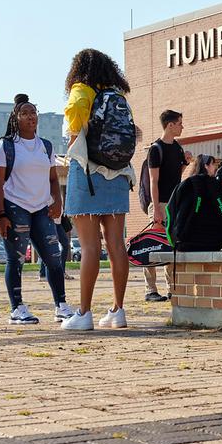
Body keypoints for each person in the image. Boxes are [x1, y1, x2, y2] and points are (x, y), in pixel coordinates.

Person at [61, 48, 136, 331]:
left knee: (89, 247)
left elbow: (74, 127)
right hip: (118, 174)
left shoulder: (82, 90)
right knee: (116, 245)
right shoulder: (116, 95)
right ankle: (118, 310)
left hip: (88, 173)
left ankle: (84, 313)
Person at [0, 94, 76, 325]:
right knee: (16, 259)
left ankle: (61, 305)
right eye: (25, 113)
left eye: (33, 112)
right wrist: (0, 214)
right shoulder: (4, 146)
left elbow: (52, 179)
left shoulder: (45, 146)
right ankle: (17, 308)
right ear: (15, 118)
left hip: (41, 208)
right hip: (15, 207)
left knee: (54, 258)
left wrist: (57, 201)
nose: (31, 116)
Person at [145, 109, 189, 302]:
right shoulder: (156, 149)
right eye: (179, 123)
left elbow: (176, 175)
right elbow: (153, 181)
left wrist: (185, 163)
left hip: (174, 204)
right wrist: (156, 209)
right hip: (160, 203)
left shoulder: (177, 148)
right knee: (154, 246)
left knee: (172, 246)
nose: (182, 126)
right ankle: (151, 290)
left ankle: (172, 288)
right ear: (170, 125)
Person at [166, 154, 222, 251]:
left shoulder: (187, 184)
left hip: (186, 242)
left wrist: (175, 238)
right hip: (214, 242)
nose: (215, 167)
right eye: (212, 164)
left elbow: (172, 211)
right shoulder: (215, 186)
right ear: (206, 166)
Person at [39, 214, 73, 281]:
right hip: (50, 221)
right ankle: (42, 274)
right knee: (48, 246)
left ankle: (62, 272)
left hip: (58, 223)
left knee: (65, 244)